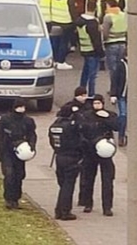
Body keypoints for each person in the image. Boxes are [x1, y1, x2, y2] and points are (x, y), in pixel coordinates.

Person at [78, 95, 119, 216]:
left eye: (99, 103)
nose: (97, 106)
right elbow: (82, 130)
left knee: (107, 180)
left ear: (103, 104)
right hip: (90, 151)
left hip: (105, 152)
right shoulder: (87, 115)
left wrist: (106, 118)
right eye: (95, 103)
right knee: (88, 178)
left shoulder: (110, 115)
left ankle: (107, 207)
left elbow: (116, 127)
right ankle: (88, 203)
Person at [0, 99, 37, 210]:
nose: (21, 109)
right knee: (9, 175)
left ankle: (16, 198)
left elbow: (32, 134)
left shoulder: (28, 121)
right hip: (7, 151)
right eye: (19, 106)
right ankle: (8, 199)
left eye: (23, 106)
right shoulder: (5, 120)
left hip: (21, 151)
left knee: (19, 175)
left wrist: (32, 145)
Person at [53, 88, 88, 221]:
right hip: (71, 157)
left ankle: (58, 210)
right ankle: (65, 211)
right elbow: (80, 140)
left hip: (59, 156)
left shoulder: (55, 125)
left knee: (63, 186)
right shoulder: (71, 127)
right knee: (68, 186)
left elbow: (52, 140)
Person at [76, 0, 103, 95]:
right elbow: (96, 40)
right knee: (93, 75)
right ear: (95, 9)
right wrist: (101, 53)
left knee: (85, 73)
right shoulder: (92, 23)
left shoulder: (79, 20)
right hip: (92, 51)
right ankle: (91, 94)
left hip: (84, 49)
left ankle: (81, 92)